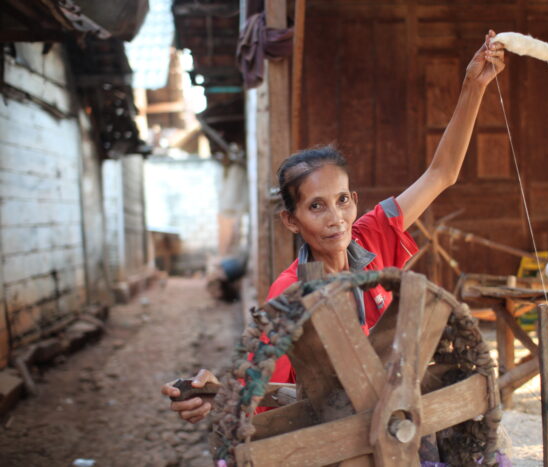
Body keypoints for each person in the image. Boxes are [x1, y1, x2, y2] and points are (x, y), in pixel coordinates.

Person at [162, 30, 506, 424]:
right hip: (336, 429)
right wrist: (215, 396)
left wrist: (473, 86)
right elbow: (260, 393)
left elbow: (442, 172)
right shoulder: (289, 292)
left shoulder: (372, 235)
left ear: (354, 201)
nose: (335, 218)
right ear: (291, 220)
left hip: (397, 411)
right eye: (316, 206)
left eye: (342, 201)